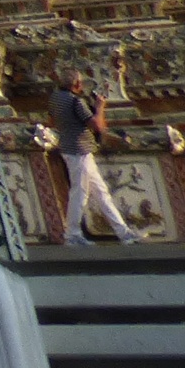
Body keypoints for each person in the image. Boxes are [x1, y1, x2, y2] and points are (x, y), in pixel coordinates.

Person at [51, 71, 135, 244]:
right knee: (80, 193)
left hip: (70, 146)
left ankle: (124, 232)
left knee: (100, 191)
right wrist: (100, 107)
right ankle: (72, 234)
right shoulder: (76, 102)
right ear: (76, 85)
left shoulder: (56, 98)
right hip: (79, 150)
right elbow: (98, 126)